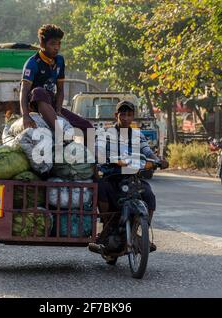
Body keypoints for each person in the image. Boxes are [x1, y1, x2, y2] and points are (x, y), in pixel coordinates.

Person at [96, 101, 160, 252]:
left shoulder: (138, 135)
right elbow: (98, 150)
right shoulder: (105, 133)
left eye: (129, 115)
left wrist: (158, 160)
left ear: (133, 117)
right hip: (112, 177)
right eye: (122, 114)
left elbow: (147, 152)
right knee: (100, 188)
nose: (125, 118)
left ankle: (140, 233)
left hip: (132, 178)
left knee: (149, 195)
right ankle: (107, 226)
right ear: (116, 115)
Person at [20, 24, 93, 137]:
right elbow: (23, 92)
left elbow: (60, 90)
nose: (57, 47)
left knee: (88, 127)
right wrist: (25, 115)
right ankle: (60, 134)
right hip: (35, 102)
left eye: (59, 43)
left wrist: (58, 110)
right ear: (42, 44)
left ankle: (90, 154)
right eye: (53, 44)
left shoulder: (59, 61)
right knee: (38, 91)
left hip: (51, 103)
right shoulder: (33, 63)